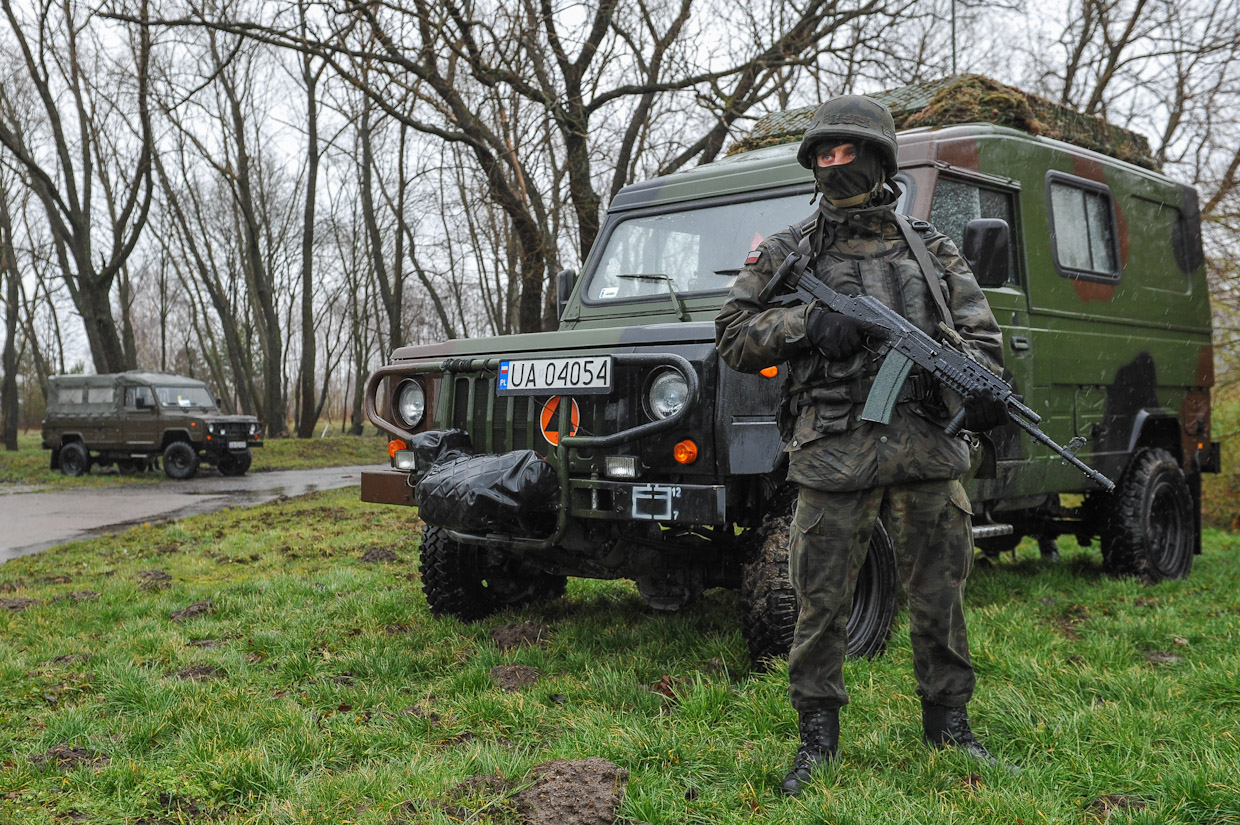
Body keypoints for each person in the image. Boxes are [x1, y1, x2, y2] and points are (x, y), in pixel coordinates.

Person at [714, 94, 1011, 797]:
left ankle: (951, 727)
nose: (833, 163)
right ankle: (816, 738)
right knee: (819, 604)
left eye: (846, 151)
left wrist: (984, 387)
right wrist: (807, 325)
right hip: (834, 449)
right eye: (823, 153)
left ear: (879, 157)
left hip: (928, 452)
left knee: (942, 595)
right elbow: (732, 333)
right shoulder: (790, 251)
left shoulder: (931, 248)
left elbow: (984, 340)